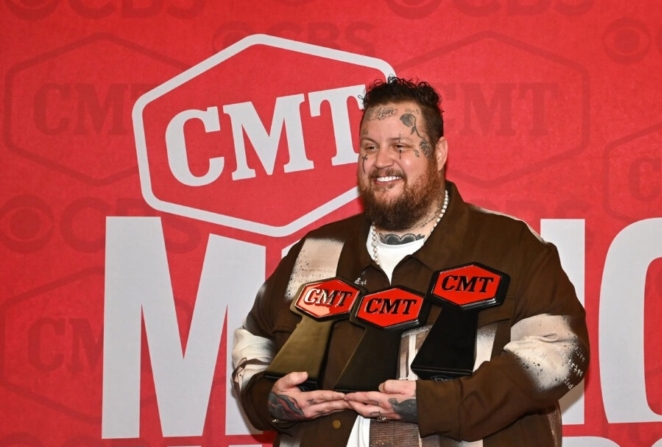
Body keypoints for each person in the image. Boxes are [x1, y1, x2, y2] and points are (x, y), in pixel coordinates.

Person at [231, 77, 589, 446]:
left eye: (399, 146)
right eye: (369, 147)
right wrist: (270, 398)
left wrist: (441, 405)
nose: (380, 162)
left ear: (439, 152)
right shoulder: (315, 251)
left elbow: (561, 350)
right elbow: (253, 340)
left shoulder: (511, 247)